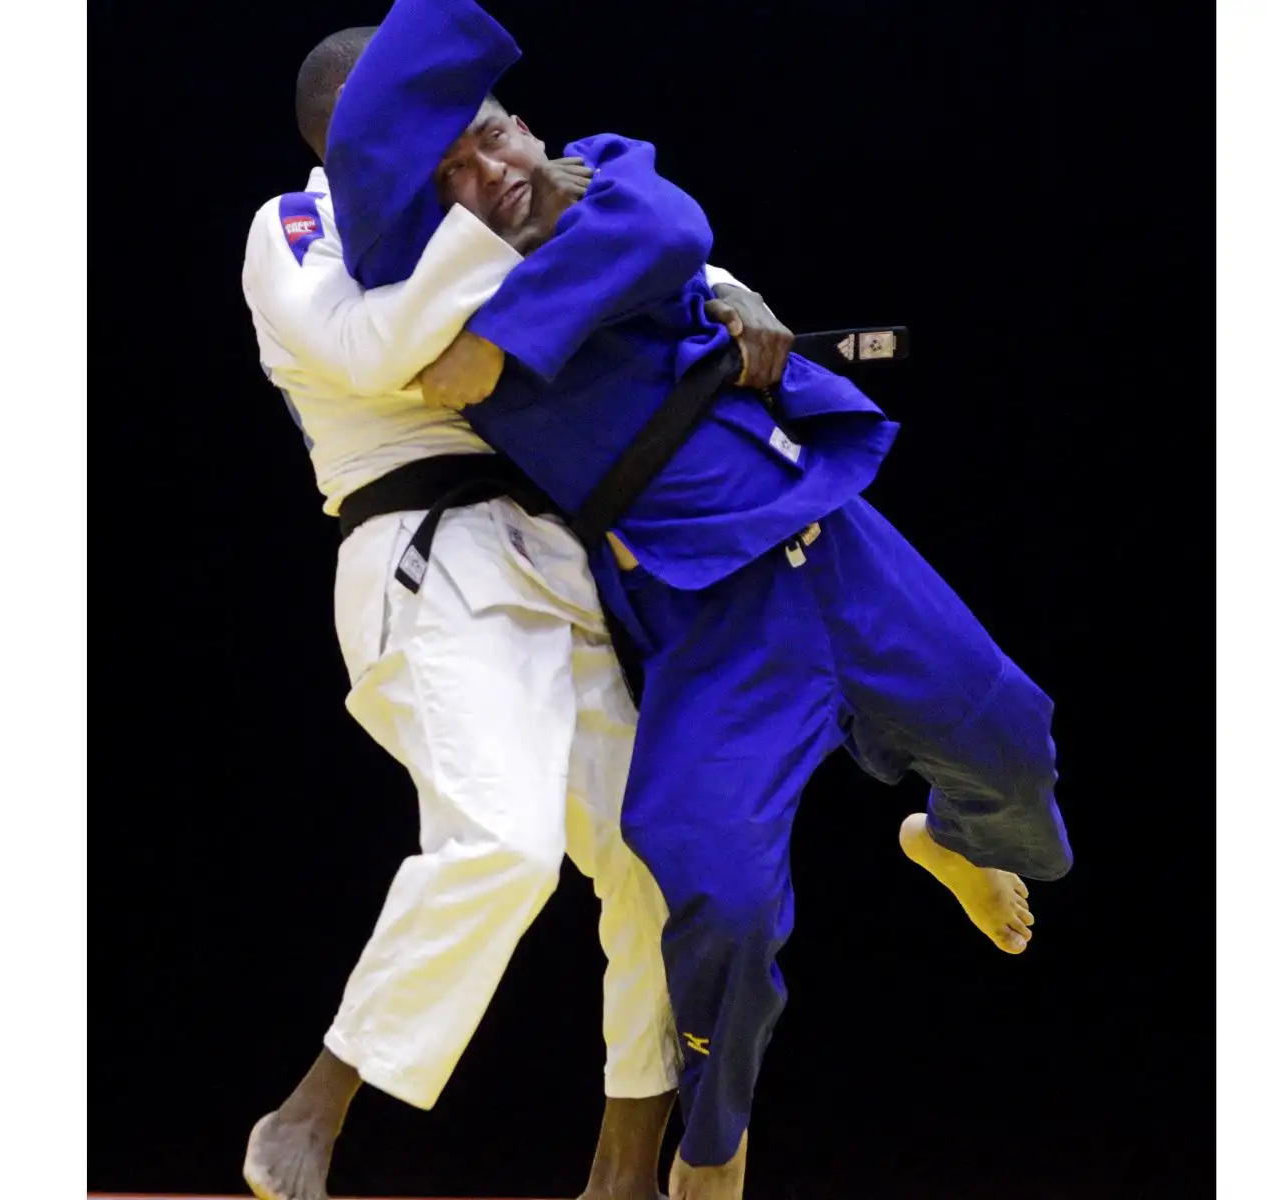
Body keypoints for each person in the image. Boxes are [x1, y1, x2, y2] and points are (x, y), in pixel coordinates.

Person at [324, 3, 1077, 1197]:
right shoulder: (433, 301)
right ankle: (714, 1150)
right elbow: (461, 321)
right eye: (452, 176)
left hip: (829, 545)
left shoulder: (618, 186)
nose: (491, 174)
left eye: (494, 137)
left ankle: (956, 839)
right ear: (429, 212)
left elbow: (673, 230)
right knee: (706, 882)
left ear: (528, 123)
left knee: (1020, 752)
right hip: (708, 622)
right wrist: (519, 322)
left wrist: (535, 341)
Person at [237, 26, 792, 1200]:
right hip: (421, 558)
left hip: (555, 552)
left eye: (449, 114)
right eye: (392, 120)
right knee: (501, 840)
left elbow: (641, 248)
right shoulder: (301, 230)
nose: (431, 139)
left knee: (652, 862)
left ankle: (620, 1168)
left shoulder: (483, 183)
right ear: (339, 135)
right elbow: (378, 350)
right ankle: (315, 1104)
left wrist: (735, 293)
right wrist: (494, 229)